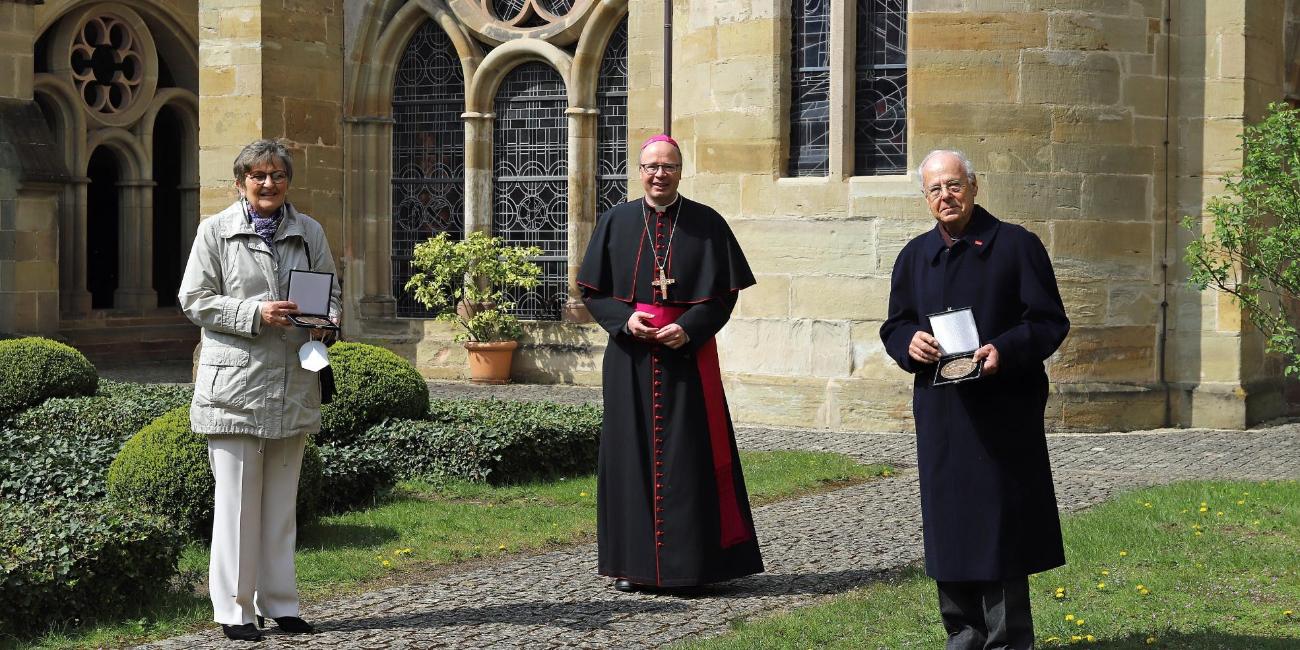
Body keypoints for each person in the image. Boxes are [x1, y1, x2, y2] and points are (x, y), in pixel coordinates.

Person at [879, 149, 1070, 649]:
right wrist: (908, 343)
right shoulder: (914, 256)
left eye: (954, 185)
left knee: (998, 528)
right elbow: (896, 323)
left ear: (974, 186)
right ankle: (962, 634)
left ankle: (1008, 640)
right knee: (950, 526)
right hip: (942, 413)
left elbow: (1049, 321)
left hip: (1001, 412)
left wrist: (1004, 351)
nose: (946, 196)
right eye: (935, 189)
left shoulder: (1016, 246)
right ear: (926, 197)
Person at [577, 134, 764, 592]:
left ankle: (695, 567)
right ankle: (632, 565)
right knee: (629, 459)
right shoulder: (614, 221)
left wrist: (692, 327)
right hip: (630, 359)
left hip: (688, 359)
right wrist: (625, 320)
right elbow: (592, 292)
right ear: (639, 171)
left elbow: (724, 294)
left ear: (681, 171)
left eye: (668, 166)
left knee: (691, 458)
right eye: (651, 166)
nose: (659, 174)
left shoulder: (706, 223)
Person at [178, 139, 341, 642]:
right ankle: (234, 611)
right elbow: (194, 300)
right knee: (237, 505)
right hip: (235, 386)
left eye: (277, 175)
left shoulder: (309, 230)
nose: (268, 184)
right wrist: (254, 313)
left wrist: (326, 321)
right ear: (240, 182)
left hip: (293, 381)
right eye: (258, 175)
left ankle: (282, 604)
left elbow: (331, 289)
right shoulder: (216, 231)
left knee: (279, 505)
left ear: (287, 181)